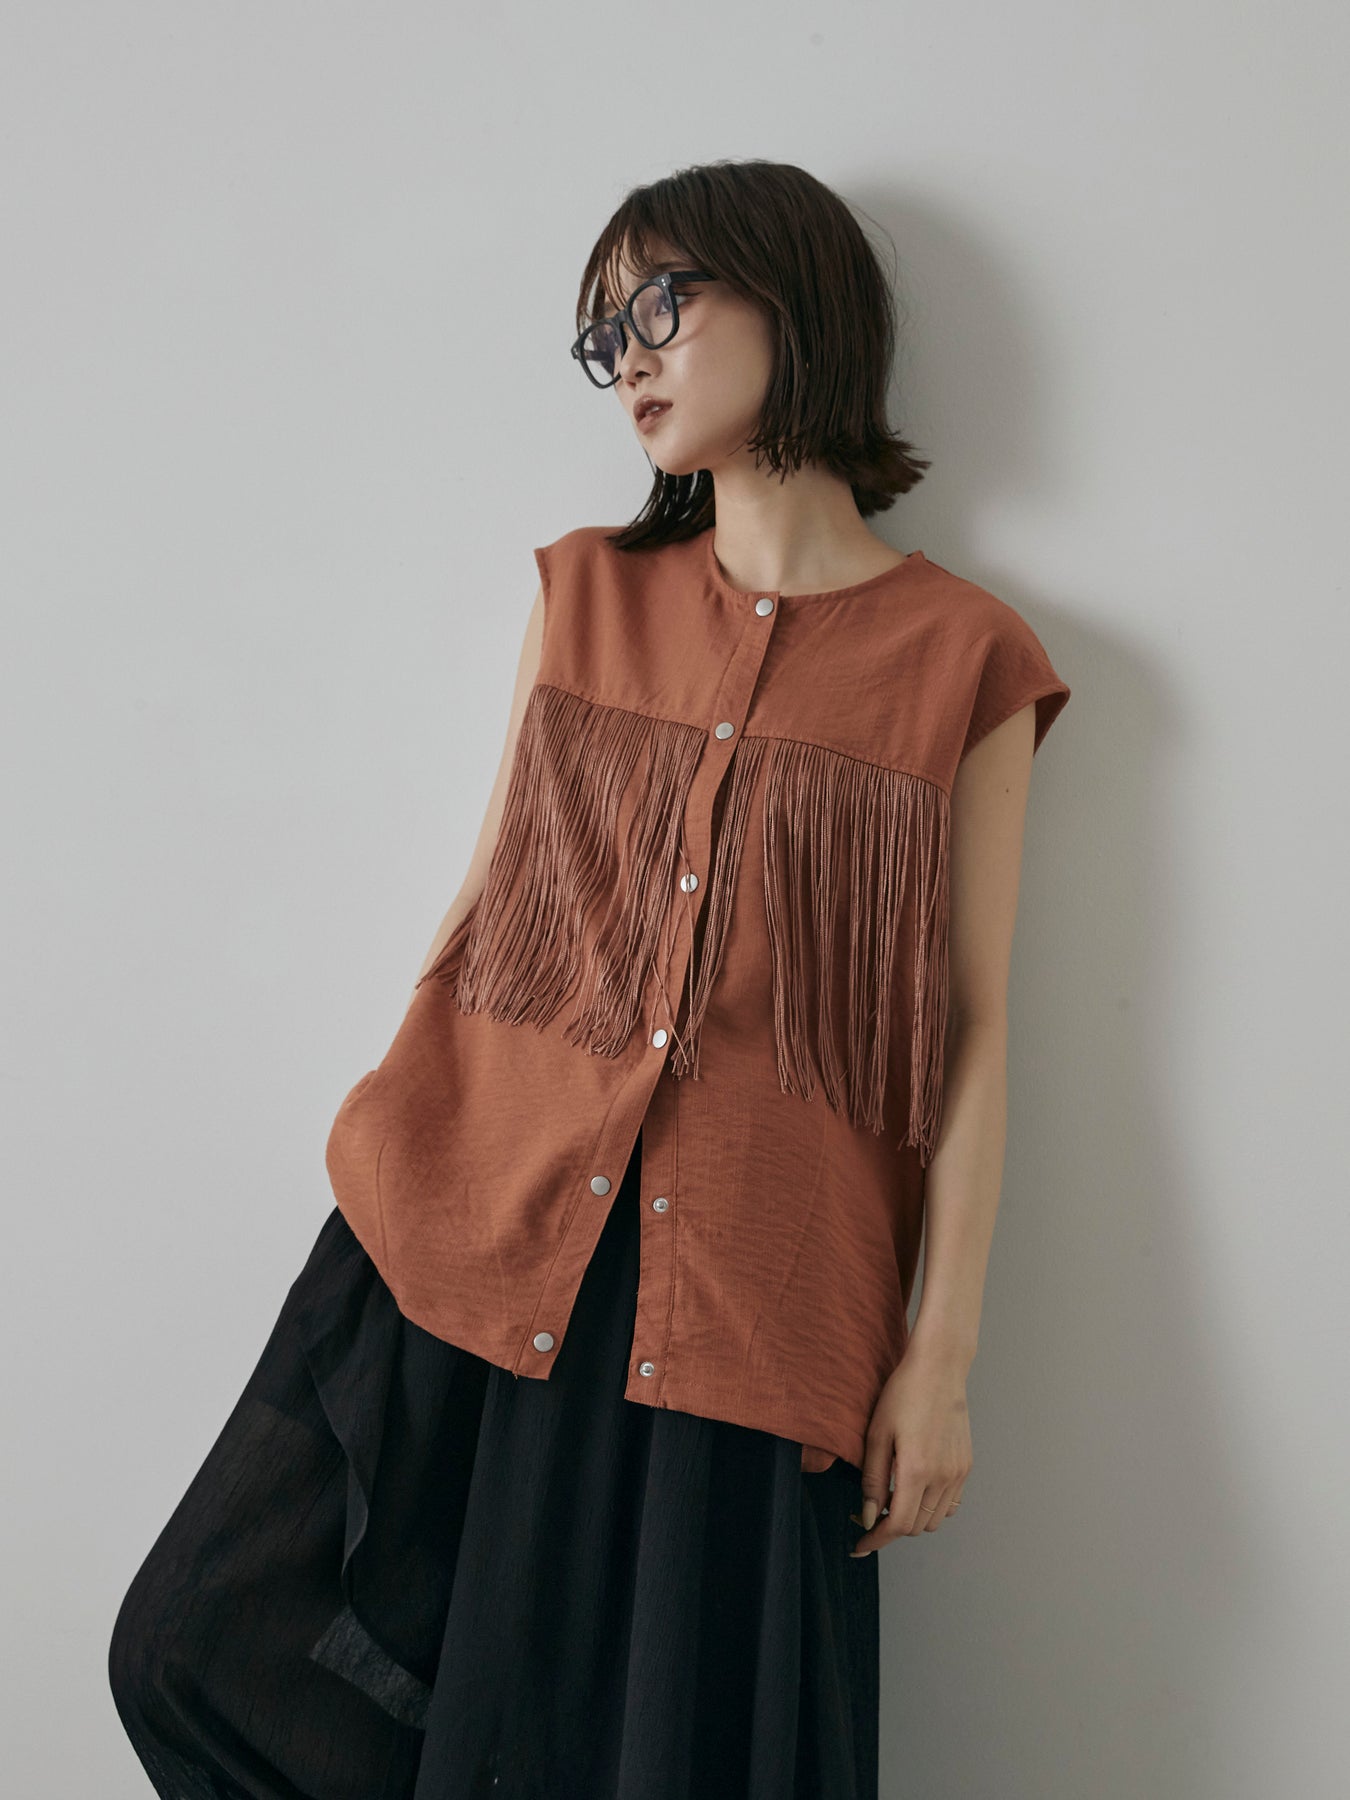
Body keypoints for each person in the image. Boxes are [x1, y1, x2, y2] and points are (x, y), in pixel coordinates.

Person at [108, 158, 1071, 1799]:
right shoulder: (585, 594)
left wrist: (940, 1359)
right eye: (600, 334)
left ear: (796, 295)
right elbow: (490, 896)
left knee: (640, 1758)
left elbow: (969, 1030)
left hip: (753, 1301)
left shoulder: (963, 659)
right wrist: (397, 1120)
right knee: (193, 1642)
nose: (626, 358)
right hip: (483, 1231)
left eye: (660, 306)